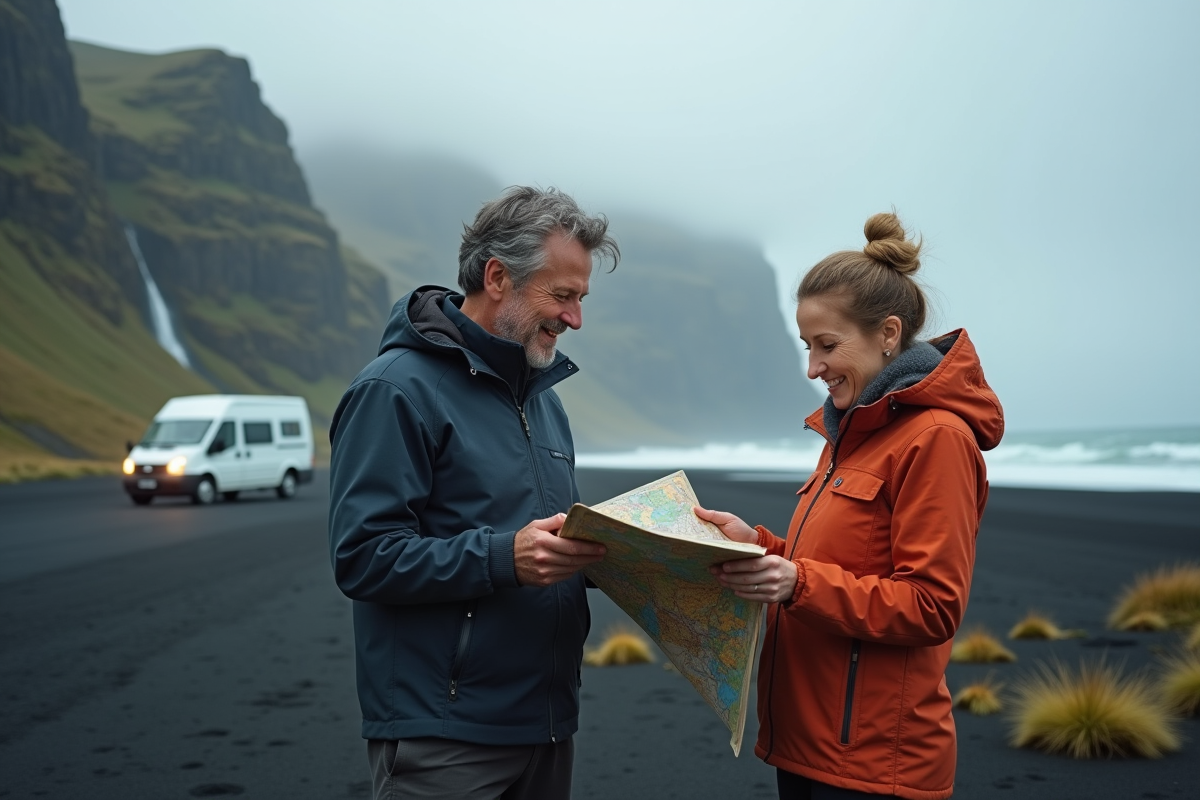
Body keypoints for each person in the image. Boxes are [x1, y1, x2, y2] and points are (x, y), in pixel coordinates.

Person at [698, 212, 1003, 800]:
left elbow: (932, 606)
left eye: (827, 345)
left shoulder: (935, 437)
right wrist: (758, 546)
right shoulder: (854, 433)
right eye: (807, 346)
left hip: (874, 766)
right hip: (810, 749)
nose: (813, 368)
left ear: (888, 334)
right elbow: (842, 568)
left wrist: (794, 582)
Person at [328, 187, 618, 800]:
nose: (575, 318)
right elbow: (362, 556)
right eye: (562, 295)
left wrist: (629, 552)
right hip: (444, 735)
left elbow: (541, 544)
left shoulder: (547, 403)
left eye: (581, 298)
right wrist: (502, 558)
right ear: (497, 277)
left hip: (546, 725)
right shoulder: (395, 390)